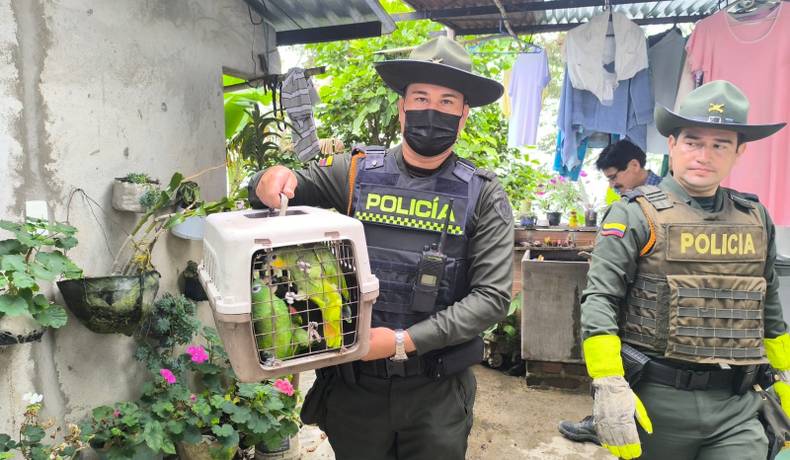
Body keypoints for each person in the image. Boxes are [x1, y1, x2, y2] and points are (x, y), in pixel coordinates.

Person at [249, 36, 513, 460]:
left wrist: (401, 341)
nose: (432, 110)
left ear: (463, 117)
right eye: (421, 97)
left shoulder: (483, 194)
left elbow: (492, 297)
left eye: (447, 102)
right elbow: (280, 187)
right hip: (356, 390)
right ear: (401, 108)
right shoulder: (354, 173)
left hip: (436, 391)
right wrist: (269, 178)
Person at [580, 80, 788, 460]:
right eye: (693, 141)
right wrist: (608, 381)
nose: (704, 155)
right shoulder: (635, 213)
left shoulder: (756, 218)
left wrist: (786, 379)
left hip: (737, 406)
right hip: (658, 403)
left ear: (739, 151)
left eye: (720, 144)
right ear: (672, 144)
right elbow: (600, 300)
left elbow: (770, 309)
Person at [558, 139, 664, 445]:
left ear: (634, 166)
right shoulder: (638, 199)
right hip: (634, 296)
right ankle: (605, 419)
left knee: (627, 361)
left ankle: (609, 423)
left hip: (641, 299)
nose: (613, 183)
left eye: (614, 176)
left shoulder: (657, 200)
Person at [596, 139, 662, 194]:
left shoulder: (667, 191)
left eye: (613, 177)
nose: (611, 186)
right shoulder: (628, 197)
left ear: (634, 165)